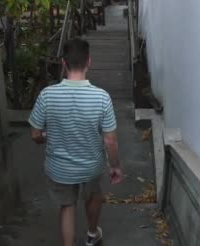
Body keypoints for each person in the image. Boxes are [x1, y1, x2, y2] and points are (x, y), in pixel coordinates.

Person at [29, 38, 123, 246]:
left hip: (59, 168)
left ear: (63, 63)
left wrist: (48, 136)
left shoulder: (47, 96)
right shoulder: (102, 97)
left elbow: (35, 134)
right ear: (89, 62)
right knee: (94, 196)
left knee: (67, 206)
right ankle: (92, 234)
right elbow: (110, 140)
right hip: (91, 165)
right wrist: (115, 166)